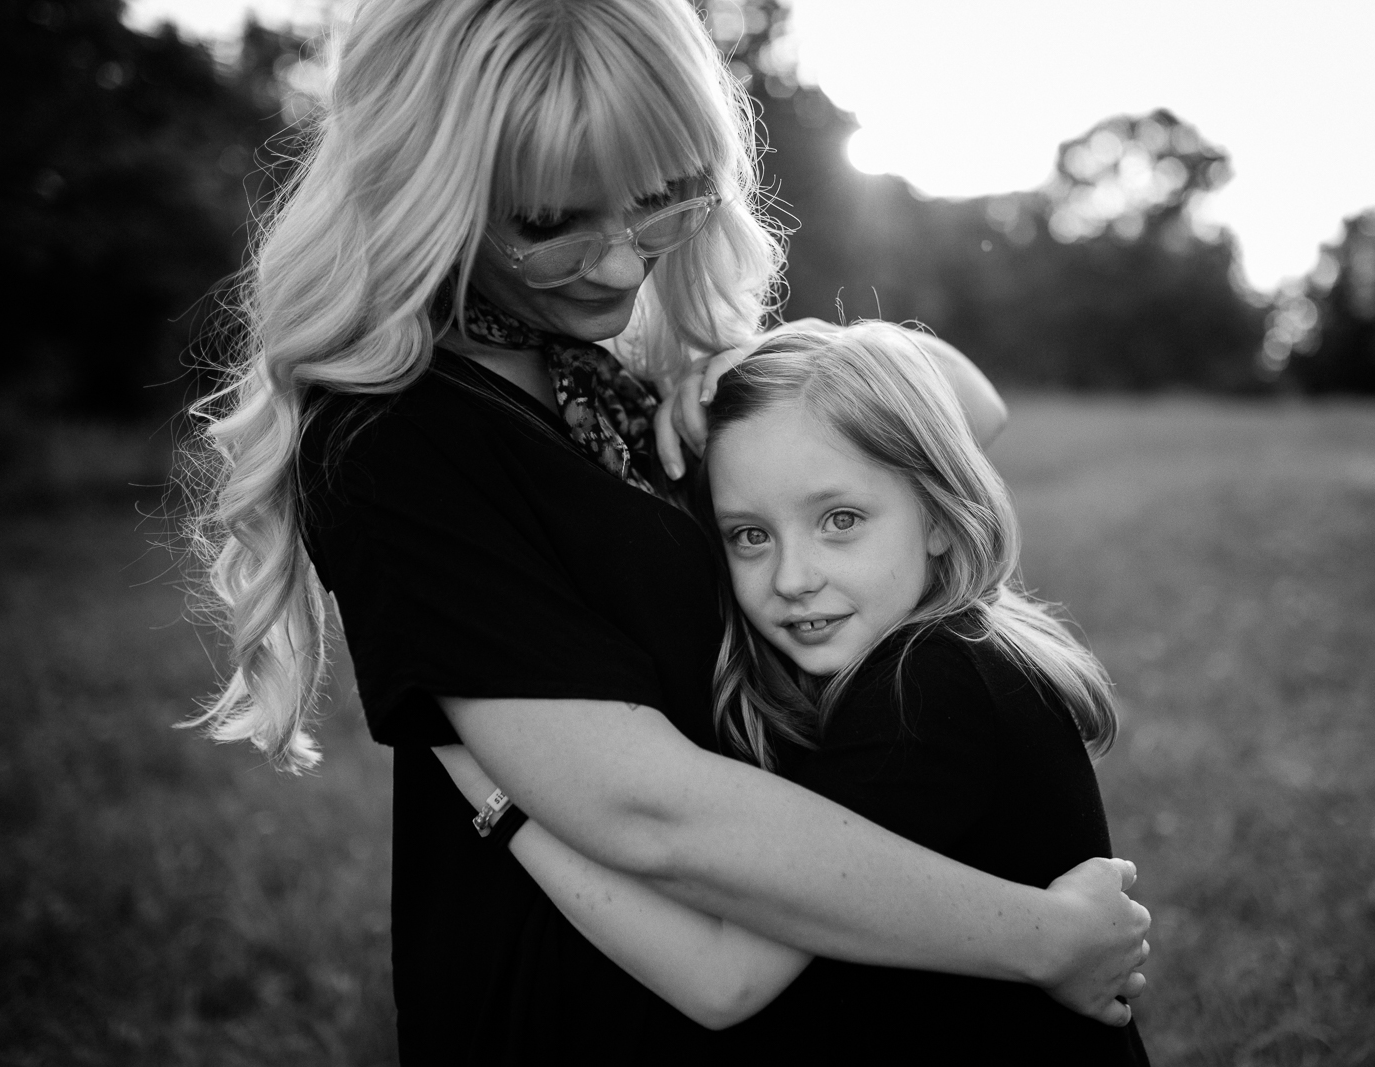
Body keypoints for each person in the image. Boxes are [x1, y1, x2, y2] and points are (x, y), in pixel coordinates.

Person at [186, 0, 1150, 1060]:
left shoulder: (621, 353)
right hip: (595, 994)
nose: (614, 264)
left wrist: (759, 373)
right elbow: (651, 814)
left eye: (659, 200)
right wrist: (1037, 935)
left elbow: (962, 412)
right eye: (548, 222)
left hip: (796, 940)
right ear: (423, 186)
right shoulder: (401, 436)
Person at [445, 323, 1151, 1062]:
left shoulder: (927, 688)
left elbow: (721, 976)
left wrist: (495, 787)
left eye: (839, 521)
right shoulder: (948, 646)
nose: (791, 577)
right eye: (750, 535)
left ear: (941, 514)